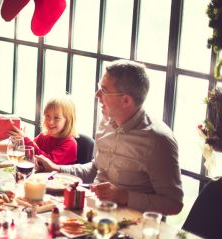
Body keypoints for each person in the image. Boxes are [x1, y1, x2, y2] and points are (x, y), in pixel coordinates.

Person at [36, 60, 183, 215]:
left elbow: (174, 203)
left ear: (126, 100)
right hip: (93, 211)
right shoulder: (105, 121)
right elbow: (96, 168)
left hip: (130, 223)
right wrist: (57, 168)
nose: (97, 95)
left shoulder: (158, 141)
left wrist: (125, 196)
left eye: (104, 90)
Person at [9, 96, 77, 165]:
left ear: (68, 121)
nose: (50, 122)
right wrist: (19, 142)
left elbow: (48, 163)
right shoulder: (44, 135)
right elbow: (28, 153)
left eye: (56, 118)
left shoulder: (70, 143)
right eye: (47, 116)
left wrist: (25, 140)